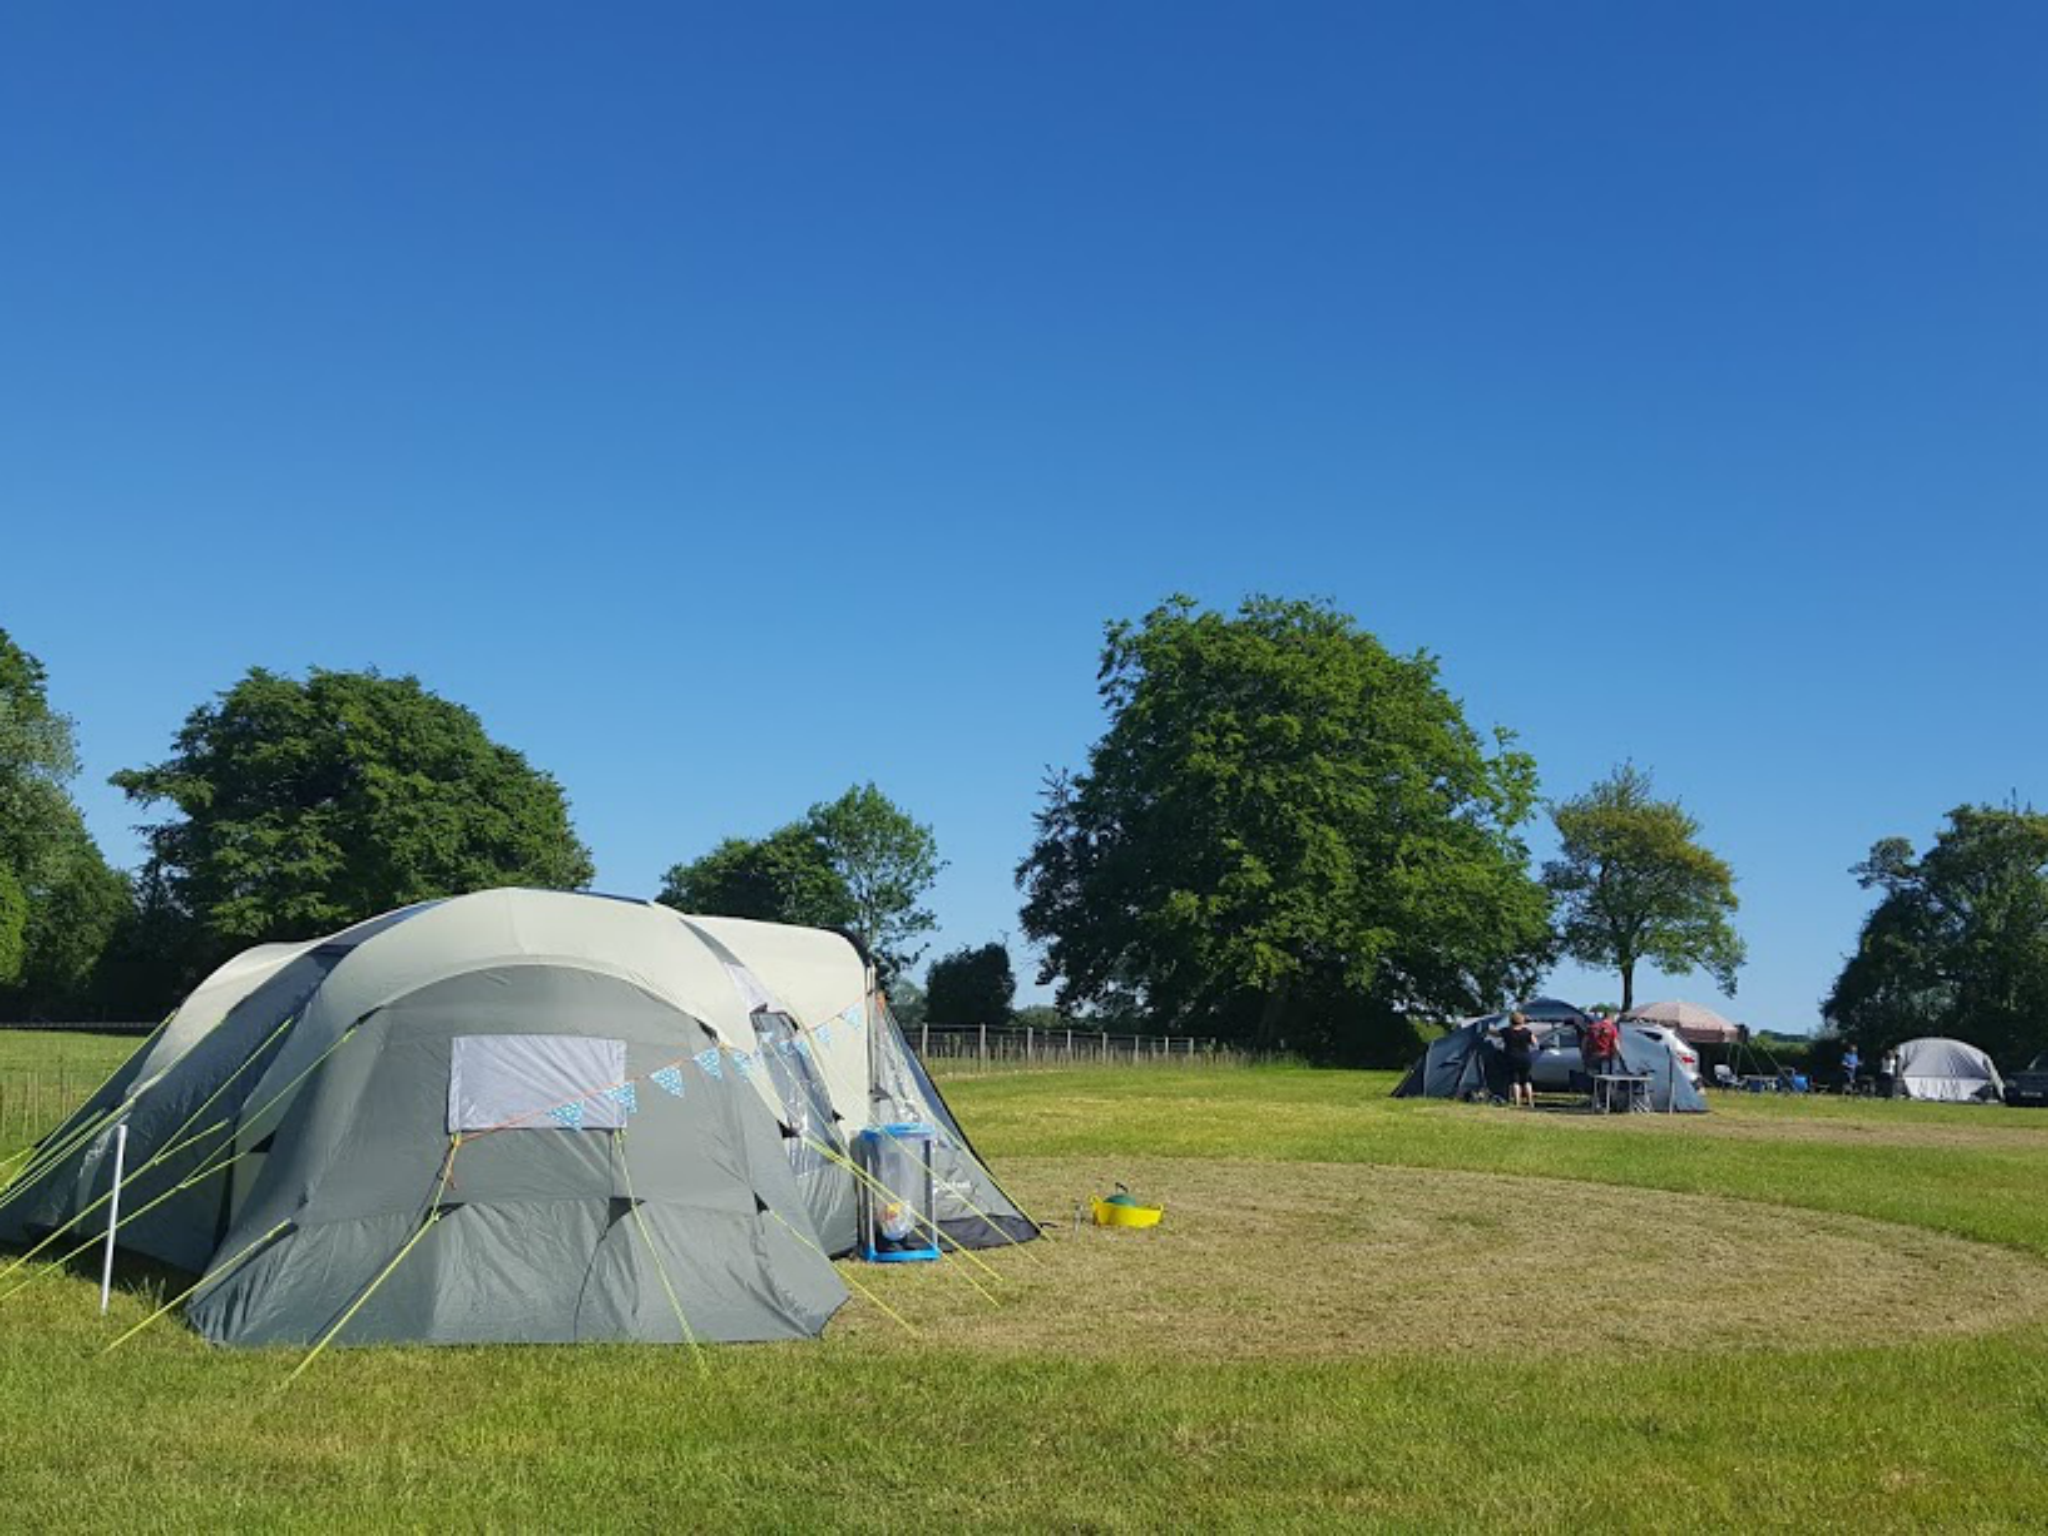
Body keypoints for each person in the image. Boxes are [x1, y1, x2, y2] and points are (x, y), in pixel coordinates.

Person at [1583, 1010, 1622, 1105]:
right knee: (1606, 1081)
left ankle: (1595, 1100)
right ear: (1611, 1018)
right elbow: (1616, 1045)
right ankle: (1605, 1102)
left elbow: (1584, 1042)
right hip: (1606, 1058)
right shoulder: (1612, 1028)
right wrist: (1619, 1056)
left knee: (1594, 1080)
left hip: (1593, 1058)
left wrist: (1585, 1055)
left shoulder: (1592, 1027)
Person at [1500, 1011, 1538, 1109]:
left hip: (1511, 1057)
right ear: (1522, 1021)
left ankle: (1517, 1103)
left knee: (1515, 1081)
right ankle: (1530, 1102)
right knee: (1526, 1080)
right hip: (1525, 1058)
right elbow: (1535, 1043)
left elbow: (1494, 1033)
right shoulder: (1527, 1031)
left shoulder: (1506, 1031)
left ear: (1511, 1021)